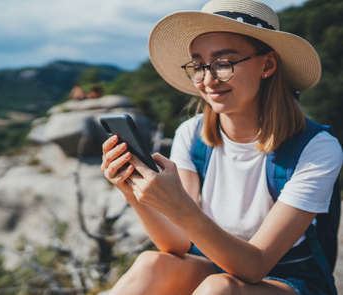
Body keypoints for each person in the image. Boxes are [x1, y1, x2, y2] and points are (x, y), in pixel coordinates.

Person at [100, 0, 342, 294]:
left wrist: (177, 203)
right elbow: (176, 244)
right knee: (152, 263)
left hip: (290, 279)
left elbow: (256, 265)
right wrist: (132, 191)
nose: (208, 79)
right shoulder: (191, 134)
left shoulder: (316, 148)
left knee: (220, 288)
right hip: (216, 265)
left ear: (267, 65)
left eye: (223, 63)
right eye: (199, 65)